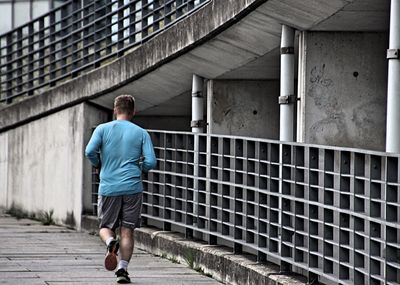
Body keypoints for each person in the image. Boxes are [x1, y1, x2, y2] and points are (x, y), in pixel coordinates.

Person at [85, 95, 157, 284]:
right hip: (133, 187)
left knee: (105, 227)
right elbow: (151, 162)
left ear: (115, 109)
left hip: (109, 186)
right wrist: (139, 169)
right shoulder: (141, 133)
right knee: (127, 231)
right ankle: (122, 270)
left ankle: (110, 243)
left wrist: (98, 163)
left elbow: (89, 151)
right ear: (133, 111)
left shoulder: (102, 129)